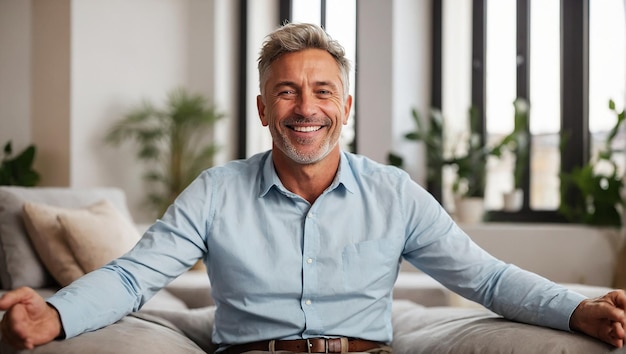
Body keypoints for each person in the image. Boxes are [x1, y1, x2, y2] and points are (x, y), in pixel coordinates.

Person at [1, 22, 625, 353]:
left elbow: (484, 279)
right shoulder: (216, 191)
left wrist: (576, 307)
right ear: (263, 109)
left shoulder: (394, 193)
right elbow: (135, 275)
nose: (306, 108)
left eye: (322, 91)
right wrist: (55, 313)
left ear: (345, 106)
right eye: (287, 92)